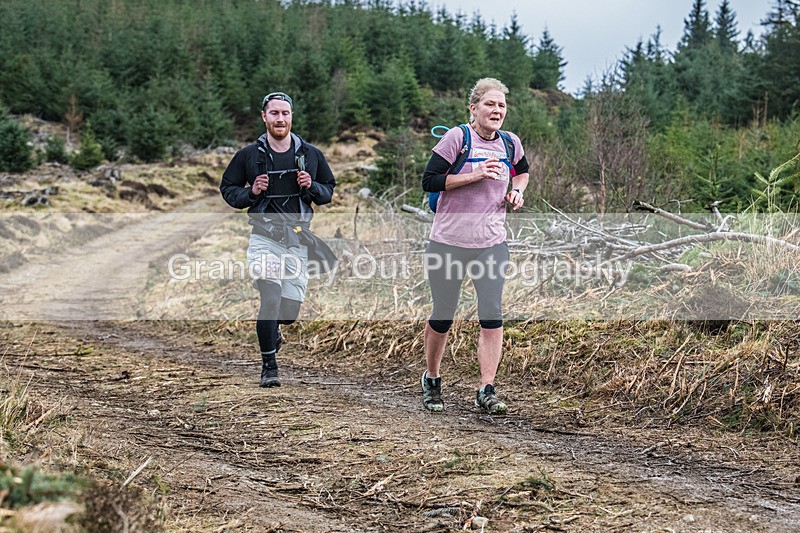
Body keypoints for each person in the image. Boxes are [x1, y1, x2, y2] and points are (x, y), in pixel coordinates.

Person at [420, 78, 530, 414]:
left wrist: (517, 191)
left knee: (492, 315)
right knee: (443, 315)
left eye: (501, 105)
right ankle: (432, 378)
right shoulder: (458, 138)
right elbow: (430, 180)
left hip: (491, 243)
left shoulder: (510, 143)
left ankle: (487, 388)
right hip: (448, 243)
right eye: (490, 104)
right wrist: (476, 174)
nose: (497, 110)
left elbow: (522, 172)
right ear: (474, 108)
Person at [220, 91, 336, 388]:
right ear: (264, 117)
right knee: (269, 297)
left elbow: (328, 192)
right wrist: (251, 193)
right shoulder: (249, 155)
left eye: (285, 113)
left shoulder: (310, 154)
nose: (280, 119)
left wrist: (311, 186)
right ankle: (269, 367)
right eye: (274, 113)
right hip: (264, 239)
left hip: (297, 240)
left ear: (291, 116)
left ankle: (275, 332)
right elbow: (228, 189)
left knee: (288, 313)